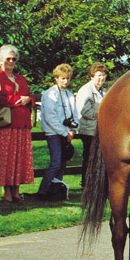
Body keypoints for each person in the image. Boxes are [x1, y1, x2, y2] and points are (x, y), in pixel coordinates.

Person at [0, 45, 35, 203]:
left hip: (22, 123)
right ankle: (6, 191)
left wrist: (29, 99)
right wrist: (16, 100)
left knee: (19, 159)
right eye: (8, 58)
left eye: (14, 59)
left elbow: (30, 95)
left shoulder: (21, 78)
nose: (11, 61)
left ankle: (16, 191)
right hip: (6, 123)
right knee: (5, 158)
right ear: (0, 60)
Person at [35, 64, 78, 200]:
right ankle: (42, 191)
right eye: (63, 78)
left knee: (62, 164)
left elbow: (75, 114)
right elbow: (50, 118)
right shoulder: (49, 94)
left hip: (66, 133)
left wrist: (73, 130)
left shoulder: (69, 94)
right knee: (56, 163)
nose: (65, 81)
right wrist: (65, 133)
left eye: (68, 79)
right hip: (53, 133)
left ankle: (55, 190)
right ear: (56, 78)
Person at [76, 62, 107, 187]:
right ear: (92, 76)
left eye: (103, 75)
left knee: (99, 158)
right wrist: (103, 113)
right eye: (99, 75)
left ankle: (97, 182)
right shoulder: (86, 90)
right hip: (89, 130)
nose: (101, 78)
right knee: (89, 158)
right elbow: (84, 111)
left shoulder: (103, 91)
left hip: (99, 129)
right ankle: (86, 183)